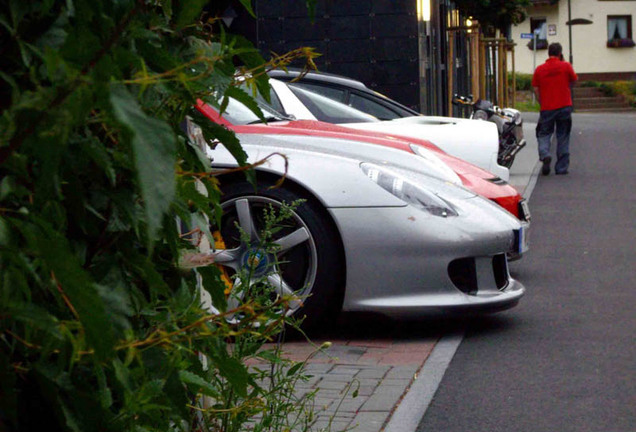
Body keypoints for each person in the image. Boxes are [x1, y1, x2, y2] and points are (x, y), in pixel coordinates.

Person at [532, 42, 578, 175]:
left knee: (544, 133)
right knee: (563, 135)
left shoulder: (540, 69)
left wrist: (542, 102)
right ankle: (561, 168)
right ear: (560, 53)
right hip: (564, 106)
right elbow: (574, 80)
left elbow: (535, 88)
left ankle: (545, 154)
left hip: (547, 107)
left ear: (548, 53)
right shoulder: (566, 66)